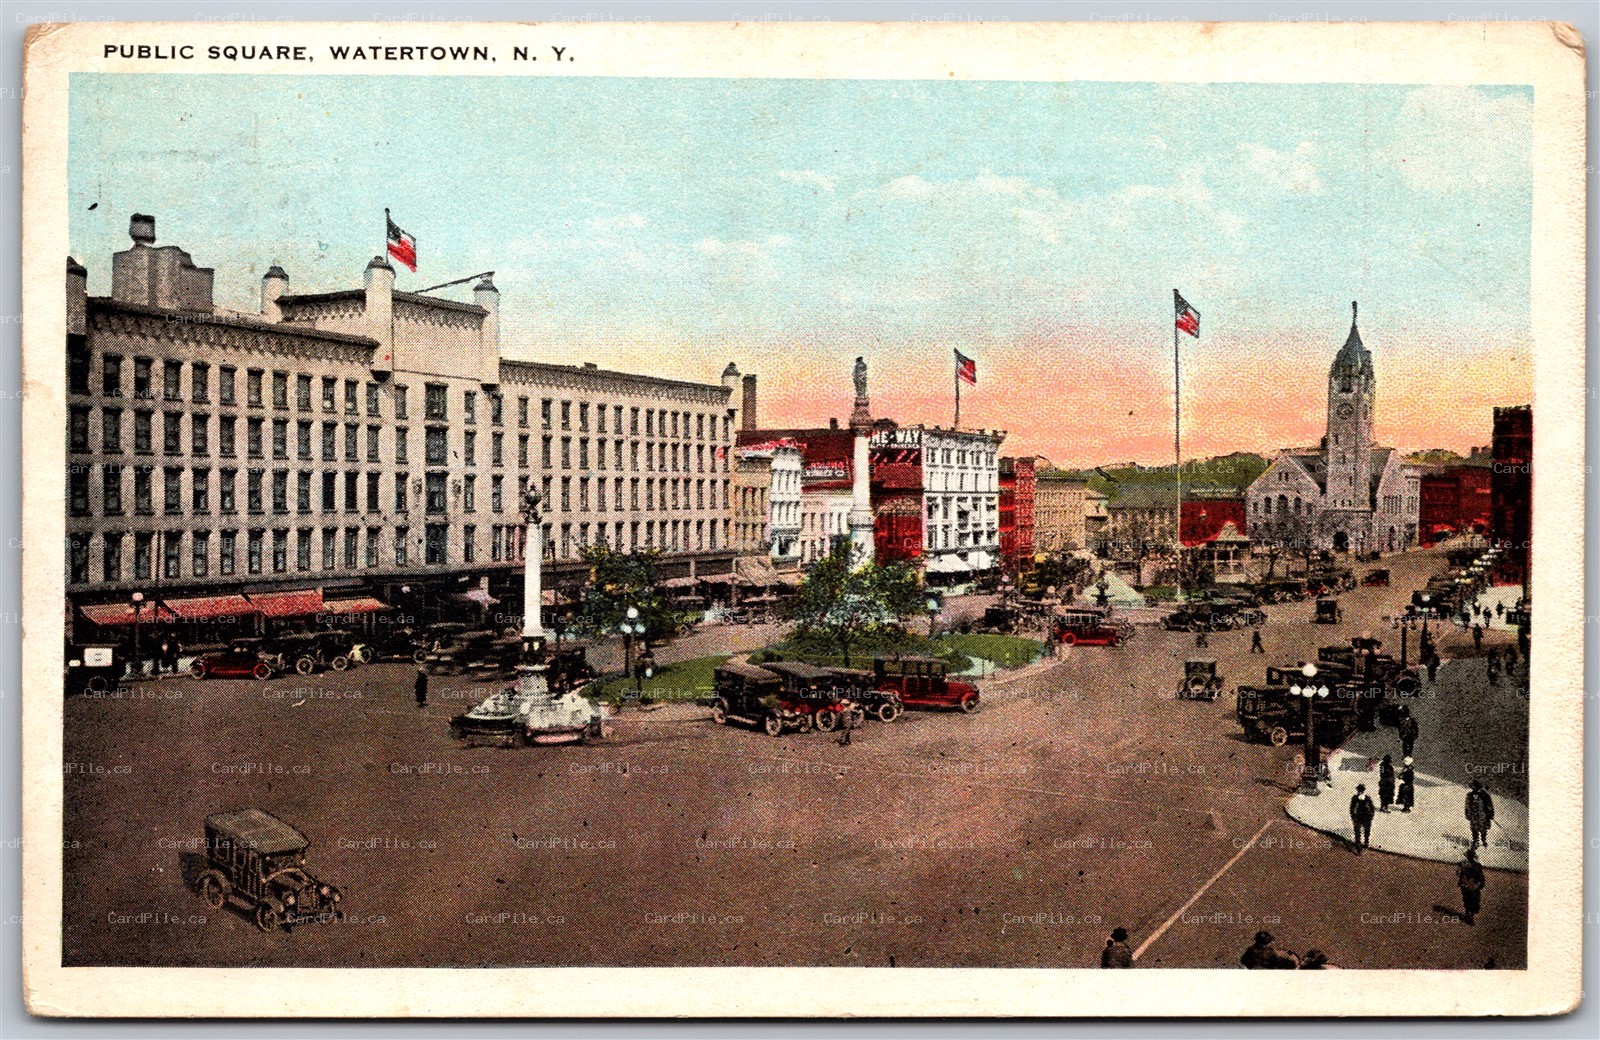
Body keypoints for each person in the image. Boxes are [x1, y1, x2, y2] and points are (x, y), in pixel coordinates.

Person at [1457, 848, 1486, 925]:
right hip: (1473, 886)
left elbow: (1459, 874)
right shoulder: (1477, 865)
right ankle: (1470, 916)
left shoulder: (1464, 865)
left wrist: (1460, 882)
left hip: (1467, 886)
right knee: (1472, 901)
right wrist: (1481, 884)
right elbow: (1481, 876)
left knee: (1467, 901)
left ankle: (1468, 915)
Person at [1465, 778, 1495, 849]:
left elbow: (1489, 805)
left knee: (1483, 828)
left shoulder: (1484, 794)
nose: (1472, 787)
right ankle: (1475, 841)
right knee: (1474, 828)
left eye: (1473, 786)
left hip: (1483, 815)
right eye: (1471, 786)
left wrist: (1490, 814)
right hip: (1473, 815)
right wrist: (1467, 813)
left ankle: (1484, 840)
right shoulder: (1470, 795)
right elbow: (1467, 805)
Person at [1349, 783, 1376, 851]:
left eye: (1361, 791)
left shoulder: (1367, 798)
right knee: (1357, 831)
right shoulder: (1355, 798)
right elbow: (1352, 808)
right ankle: (1358, 845)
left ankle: (1366, 842)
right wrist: (1353, 816)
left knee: (1367, 830)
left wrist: (1371, 815)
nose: (1360, 792)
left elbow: (1372, 808)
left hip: (1366, 817)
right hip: (1358, 817)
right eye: (1359, 791)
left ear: (1363, 791)